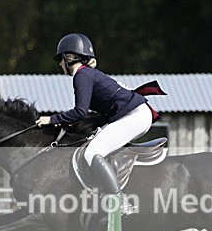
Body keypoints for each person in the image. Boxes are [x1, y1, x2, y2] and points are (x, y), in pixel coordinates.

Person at [35, 33, 155, 215]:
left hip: (135, 115)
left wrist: (51, 119)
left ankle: (120, 202)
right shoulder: (87, 74)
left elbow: (80, 112)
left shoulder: (81, 75)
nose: (60, 65)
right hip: (135, 113)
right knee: (94, 144)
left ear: (70, 58)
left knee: (92, 153)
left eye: (61, 60)